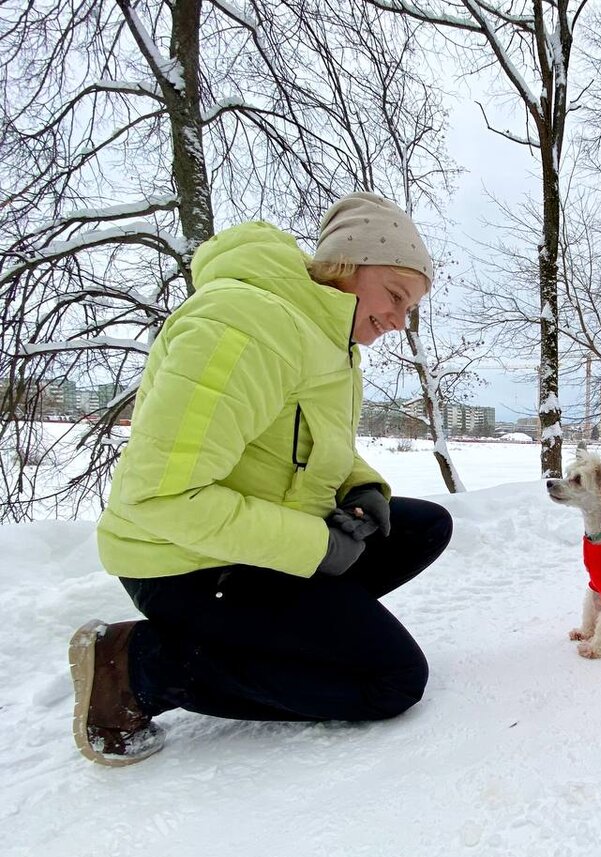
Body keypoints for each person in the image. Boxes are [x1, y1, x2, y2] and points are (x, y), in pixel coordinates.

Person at [68, 192, 452, 766]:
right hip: (184, 563)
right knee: (392, 679)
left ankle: (286, 632)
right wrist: (317, 546)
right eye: (396, 297)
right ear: (346, 262)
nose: (399, 321)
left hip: (249, 544)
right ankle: (138, 666)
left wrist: (360, 486)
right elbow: (161, 497)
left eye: (408, 309)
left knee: (422, 527)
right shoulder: (242, 326)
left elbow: (312, 445)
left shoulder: (326, 337)